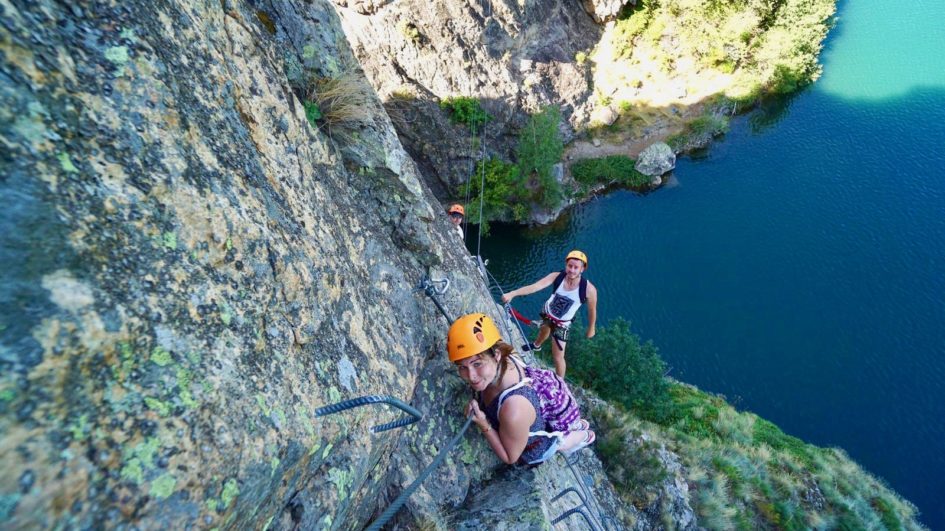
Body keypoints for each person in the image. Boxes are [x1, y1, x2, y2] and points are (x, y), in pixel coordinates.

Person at [448, 313, 595, 466]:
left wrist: (484, 423)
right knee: (561, 431)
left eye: (477, 364)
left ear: (496, 356)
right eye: (462, 367)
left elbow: (510, 457)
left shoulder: (513, 408)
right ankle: (577, 425)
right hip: (538, 415)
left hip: (538, 445)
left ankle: (585, 436)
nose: (471, 376)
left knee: (559, 443)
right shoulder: (506, 354)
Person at [501, 250, 597, 378]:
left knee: (558, 357)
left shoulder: (588, 290)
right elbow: (534, 287)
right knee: (544, 329)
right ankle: (536, 345)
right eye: (570, 266)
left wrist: (591, 328)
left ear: (582, 269)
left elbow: (592, 310)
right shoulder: (557, 277)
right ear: (565, 265)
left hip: (562, 324)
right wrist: (512, 293)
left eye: (576, 267)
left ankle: (559, 382)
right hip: (548, 312)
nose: (572, 270)